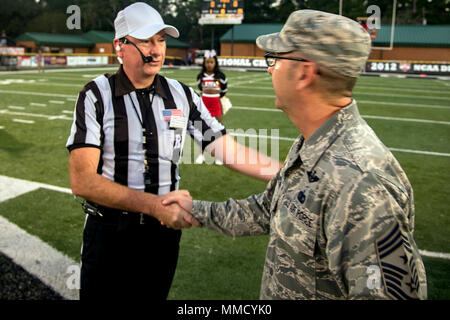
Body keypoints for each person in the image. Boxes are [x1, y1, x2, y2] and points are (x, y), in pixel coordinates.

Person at [163, 10, 428, 300]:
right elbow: (267, 209)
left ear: (304, 72)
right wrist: (196, 209)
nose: (269, 69)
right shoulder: (314, 142)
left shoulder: (363, 183)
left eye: (275, 59)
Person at [66, 2, 280, 300]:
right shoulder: (95, 95)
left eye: (161, 39)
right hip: (111, 232)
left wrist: (286, 173)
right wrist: (152, 205)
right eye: (145, 40)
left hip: (162, 234)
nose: (156, 49)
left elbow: (225, 149)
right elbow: (83, 181)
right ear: (120, 45)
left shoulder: (182, 95)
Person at [195, 50, 227, 164]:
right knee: (203, 130)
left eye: (211, 62)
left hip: (216, 105)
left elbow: (224, 91)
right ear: (204, 63)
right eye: (207, 62)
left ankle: (219, 156)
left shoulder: (221, 76)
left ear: (215, 63)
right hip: (204, 106)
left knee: (218, 130)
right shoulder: (200, 76)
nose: (209, 64)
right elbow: (200, 89)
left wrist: (215, 97)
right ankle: (202, 154)